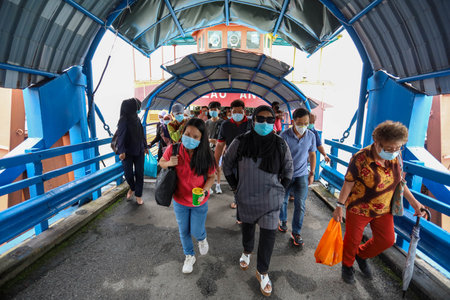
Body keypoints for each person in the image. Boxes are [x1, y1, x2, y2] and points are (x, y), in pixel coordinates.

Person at [332, 121, 427, 284]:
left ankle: (361, 255)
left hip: (384, 208)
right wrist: (339, 206)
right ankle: (347, 265)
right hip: (359, 208)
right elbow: (348, 182)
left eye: (398, 148)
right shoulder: (360, 158)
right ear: (377, 143)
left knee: (387, 239)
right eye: (390, 148)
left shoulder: (396, 156)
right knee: (352, 240)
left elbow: (400, 183)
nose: (394, 151)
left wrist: (415, 203)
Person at [223, 105, 293, 297]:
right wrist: (235, 186)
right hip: (246, 197)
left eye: (270, 120)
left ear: (274, 122)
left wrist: (281, 190)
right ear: (253, 120)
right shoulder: (240, 141)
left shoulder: (280, 144)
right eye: (260, 119)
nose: (265, 123)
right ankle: (247, 251)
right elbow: (227, 164)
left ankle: (263, 272)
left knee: (269, 236)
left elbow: (288, 170)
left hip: (271, 200)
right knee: (247, 228)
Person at [159, 118, 216, 274]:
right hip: (179, 200)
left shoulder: (206, 155)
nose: (190, 138)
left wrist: (205, 190)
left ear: (201, 138)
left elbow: (211, 176)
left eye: (195, 136)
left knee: (196, 231)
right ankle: (189, 255)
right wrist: (169, 163)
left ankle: (202, 238)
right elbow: (161, 163)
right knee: (183, 231)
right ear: (182, 132)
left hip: (199, 201)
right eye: (187, 133)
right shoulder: (174, 149)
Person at [278, 108, 316, 247]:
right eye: (300, 123)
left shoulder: (311, 136)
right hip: (285, 175)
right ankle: (282, 220)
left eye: (306, 123)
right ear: (293, 122)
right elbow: (278, 156)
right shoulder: (284, 136)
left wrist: (312, 173)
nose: (303, 126)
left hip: (302, 175)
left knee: (300, 204)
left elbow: (312, 154)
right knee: (282, 201)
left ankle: (296, 232)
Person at [215, 99, 252, 209]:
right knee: (236, 183)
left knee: (248, 183)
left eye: (240, 112)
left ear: (244, 112)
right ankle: (238, 201)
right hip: (232, 160)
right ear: (230, 112)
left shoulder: (251, 123)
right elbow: (220, 145)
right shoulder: (225, 124)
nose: (237, 114)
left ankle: (244, 202)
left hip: (249, 159)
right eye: (234, 112)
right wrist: (216, 162)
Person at [116, 98, 149, 205]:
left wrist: (145, 146)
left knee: (140, 173)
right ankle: (132, 188)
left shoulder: (137, 119)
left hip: (139, 150)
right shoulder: (123, 120)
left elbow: (141, 134)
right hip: (127, 152)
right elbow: (120, 137)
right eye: (136, 107)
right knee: (128, 174)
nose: (138, 109)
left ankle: (138, 195)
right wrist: (121, 151)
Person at [205, 101, 224, 194]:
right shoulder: (206, 123)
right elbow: (204, 136)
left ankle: (218, 185)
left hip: (218, 148)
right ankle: (210, 186)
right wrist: (209, 140)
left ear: (219, 111)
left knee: (218, 167)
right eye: (211, 110)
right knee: (208, 167)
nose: (213, 111)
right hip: (208, 148)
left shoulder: (223, 123)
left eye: (215, 110)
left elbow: (225, 137)